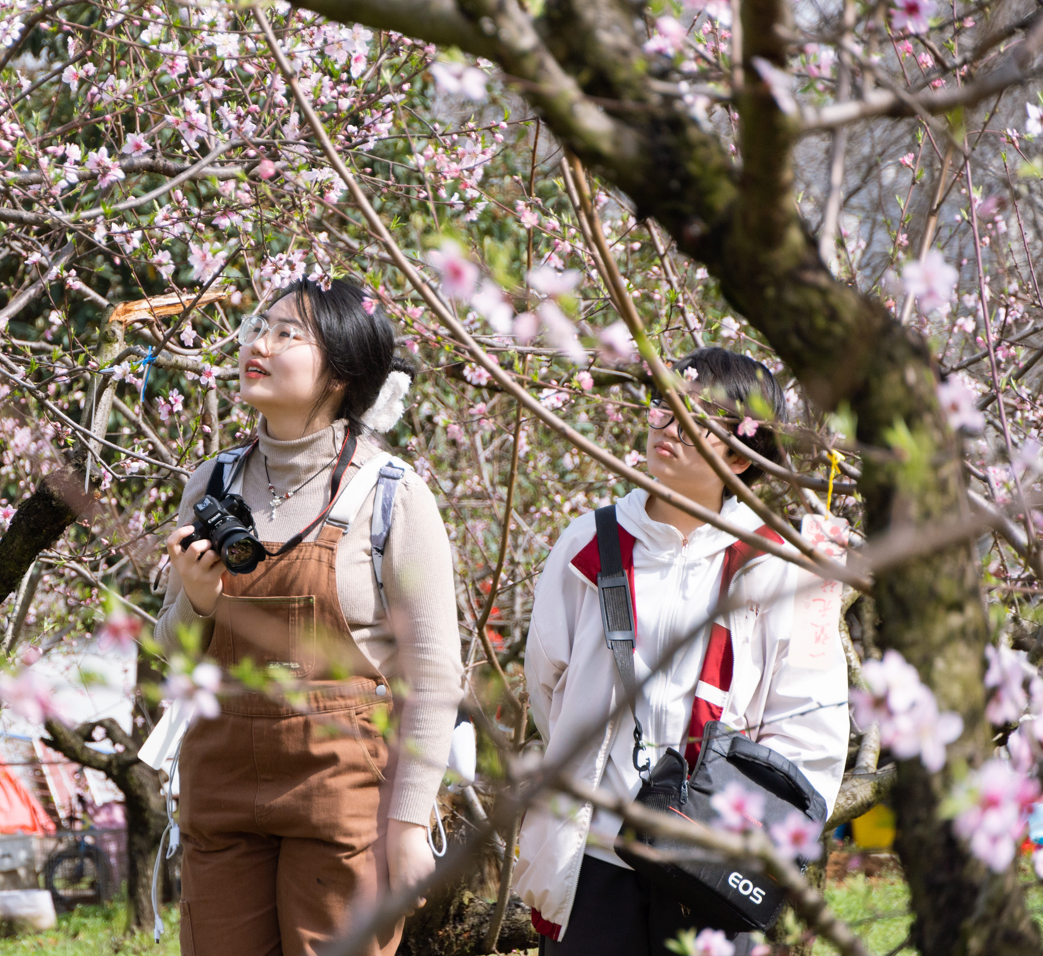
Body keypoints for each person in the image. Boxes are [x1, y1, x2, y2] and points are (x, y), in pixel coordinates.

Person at [158, 276, 463, 956]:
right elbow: (173, 657)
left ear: (341, 371)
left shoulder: (393, 497)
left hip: (344, 801)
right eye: (258, 327)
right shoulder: (212, 483)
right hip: (222, 791)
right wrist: (197, 602)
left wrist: (410, 825)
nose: (258, 345)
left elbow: (435, 675)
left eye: (287, 333)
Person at [514, 347, 848, 955]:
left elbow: (810, 727)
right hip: (596, 852)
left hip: (718, 867)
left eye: (697, 415)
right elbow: (548, 686)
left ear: (746, 450)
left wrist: (744, 833)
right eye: (664, 404)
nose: (668, 424)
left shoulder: (782, 565)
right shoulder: (590, 542)